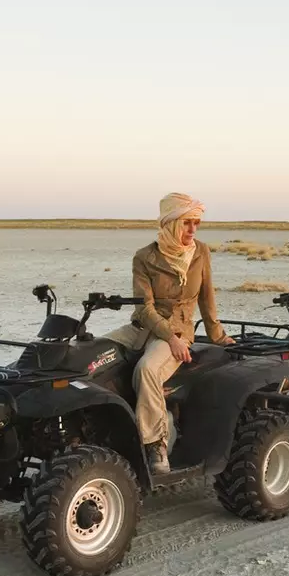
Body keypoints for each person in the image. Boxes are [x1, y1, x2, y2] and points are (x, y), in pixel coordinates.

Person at [105, 192, 234, 475]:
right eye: (187, 223)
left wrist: (217, 335)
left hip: (179, 329)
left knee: (147, 369)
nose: (193, 230)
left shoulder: (200, 252)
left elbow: (207, 298)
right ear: (171, 224)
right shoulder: (144, 257)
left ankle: (155, 444)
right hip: (144, 327)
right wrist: (168, 337)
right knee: (92, 352)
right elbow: (144, 308)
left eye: (196, 223)